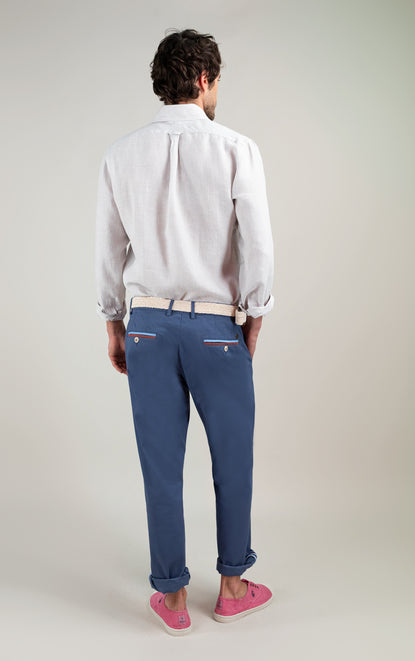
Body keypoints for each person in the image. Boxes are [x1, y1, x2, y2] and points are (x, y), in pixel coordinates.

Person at [94, 28, 275, 635]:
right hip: (217, 328)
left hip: (146, 326)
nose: (218, 90)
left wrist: (114, 321)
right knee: (233, 460)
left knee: (159, 464)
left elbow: (108, 249)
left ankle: (171, 598)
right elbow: (258, 245)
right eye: (216, 80)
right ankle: (232, 588)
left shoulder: (120, 155)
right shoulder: (237, 149)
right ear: (202, 78)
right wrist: (254, 313)